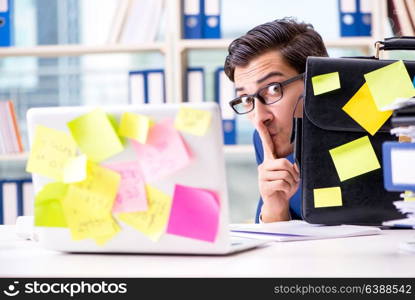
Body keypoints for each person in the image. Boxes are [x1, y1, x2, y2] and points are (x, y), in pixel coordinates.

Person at [224, 18, 328, 223]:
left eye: (273, 89)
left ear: (315, 80)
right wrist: (275, 208)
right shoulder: (264, 139)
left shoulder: (374, 132)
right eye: (246, 99)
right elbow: (272, 242)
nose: (260, 118)